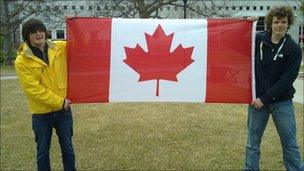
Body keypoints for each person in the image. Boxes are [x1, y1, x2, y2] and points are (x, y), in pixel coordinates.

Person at [244, 6, 304, 170]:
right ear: (270, 23)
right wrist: (246, 25)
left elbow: (286, 80)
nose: (279, 25)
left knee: (290, 144)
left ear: (288, 23)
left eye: (283, 22)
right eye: (276, 22)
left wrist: (265, 99)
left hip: (282, 103)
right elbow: (238, 39)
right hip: (257, 102)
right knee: (252, 144)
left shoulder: (294, 49)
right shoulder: (258, 39)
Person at [15, 18, 76, 171]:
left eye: (41, 30)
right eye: (33, 32)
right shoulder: (21, 61)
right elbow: (33, 90)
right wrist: (60, 102)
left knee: (68, 148)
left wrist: (75, 24)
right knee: (42, 152)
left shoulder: (60, 47)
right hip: (41, 114)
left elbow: (82, 42)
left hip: (63, 112)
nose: (38, 34)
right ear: (27, 36)